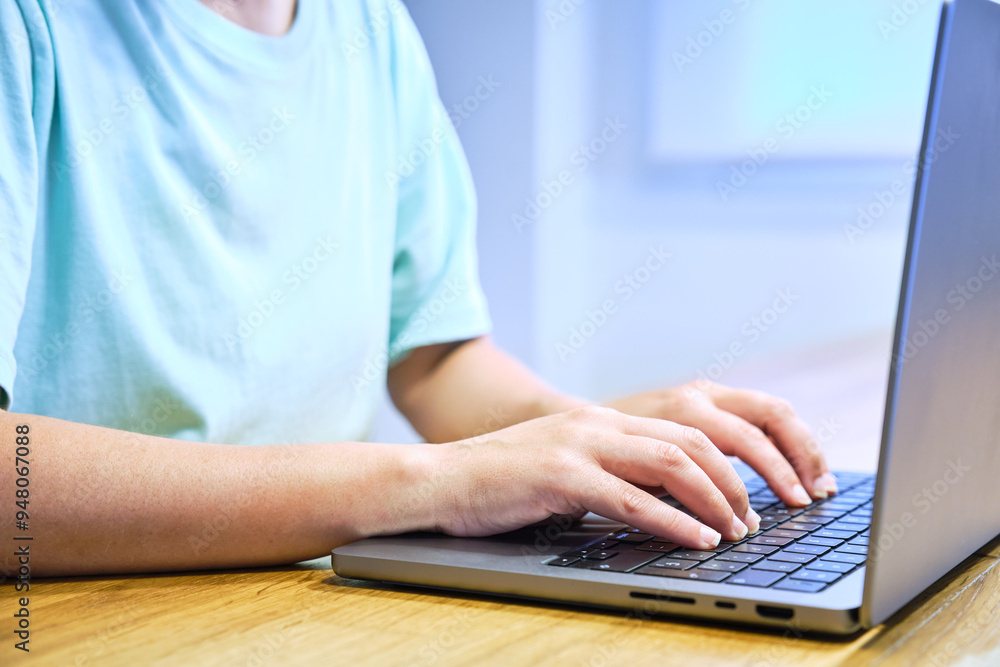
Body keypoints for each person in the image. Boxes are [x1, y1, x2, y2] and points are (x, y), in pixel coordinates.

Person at [0, 0, 837, 577]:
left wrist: (587, 439)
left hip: (310, 599)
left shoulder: (370, 28)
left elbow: (435, 359)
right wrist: (432, 482)